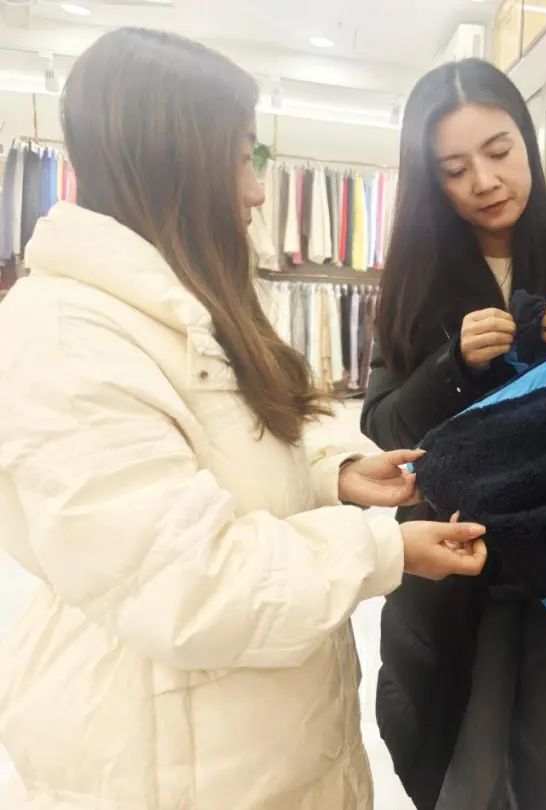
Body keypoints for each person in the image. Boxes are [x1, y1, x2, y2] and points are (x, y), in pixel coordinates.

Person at [0, 28, 488, 810]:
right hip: (163, 759)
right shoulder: (64, 337)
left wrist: (335, 471)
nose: (259, 192)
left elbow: (253, 428)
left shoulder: (191, 299)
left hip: (253, 735)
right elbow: (187, 583)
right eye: (240, 159)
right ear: (175, 163)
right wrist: (383, 550)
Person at [362, 58, 546, 810]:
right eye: (455, 170)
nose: (486, 182)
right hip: (457, 555)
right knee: (467, 758)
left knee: (542, 752)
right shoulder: (420, 268)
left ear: (528, 139)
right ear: (431, 179)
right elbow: (383, 422)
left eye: (500, 151)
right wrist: (451, 365)